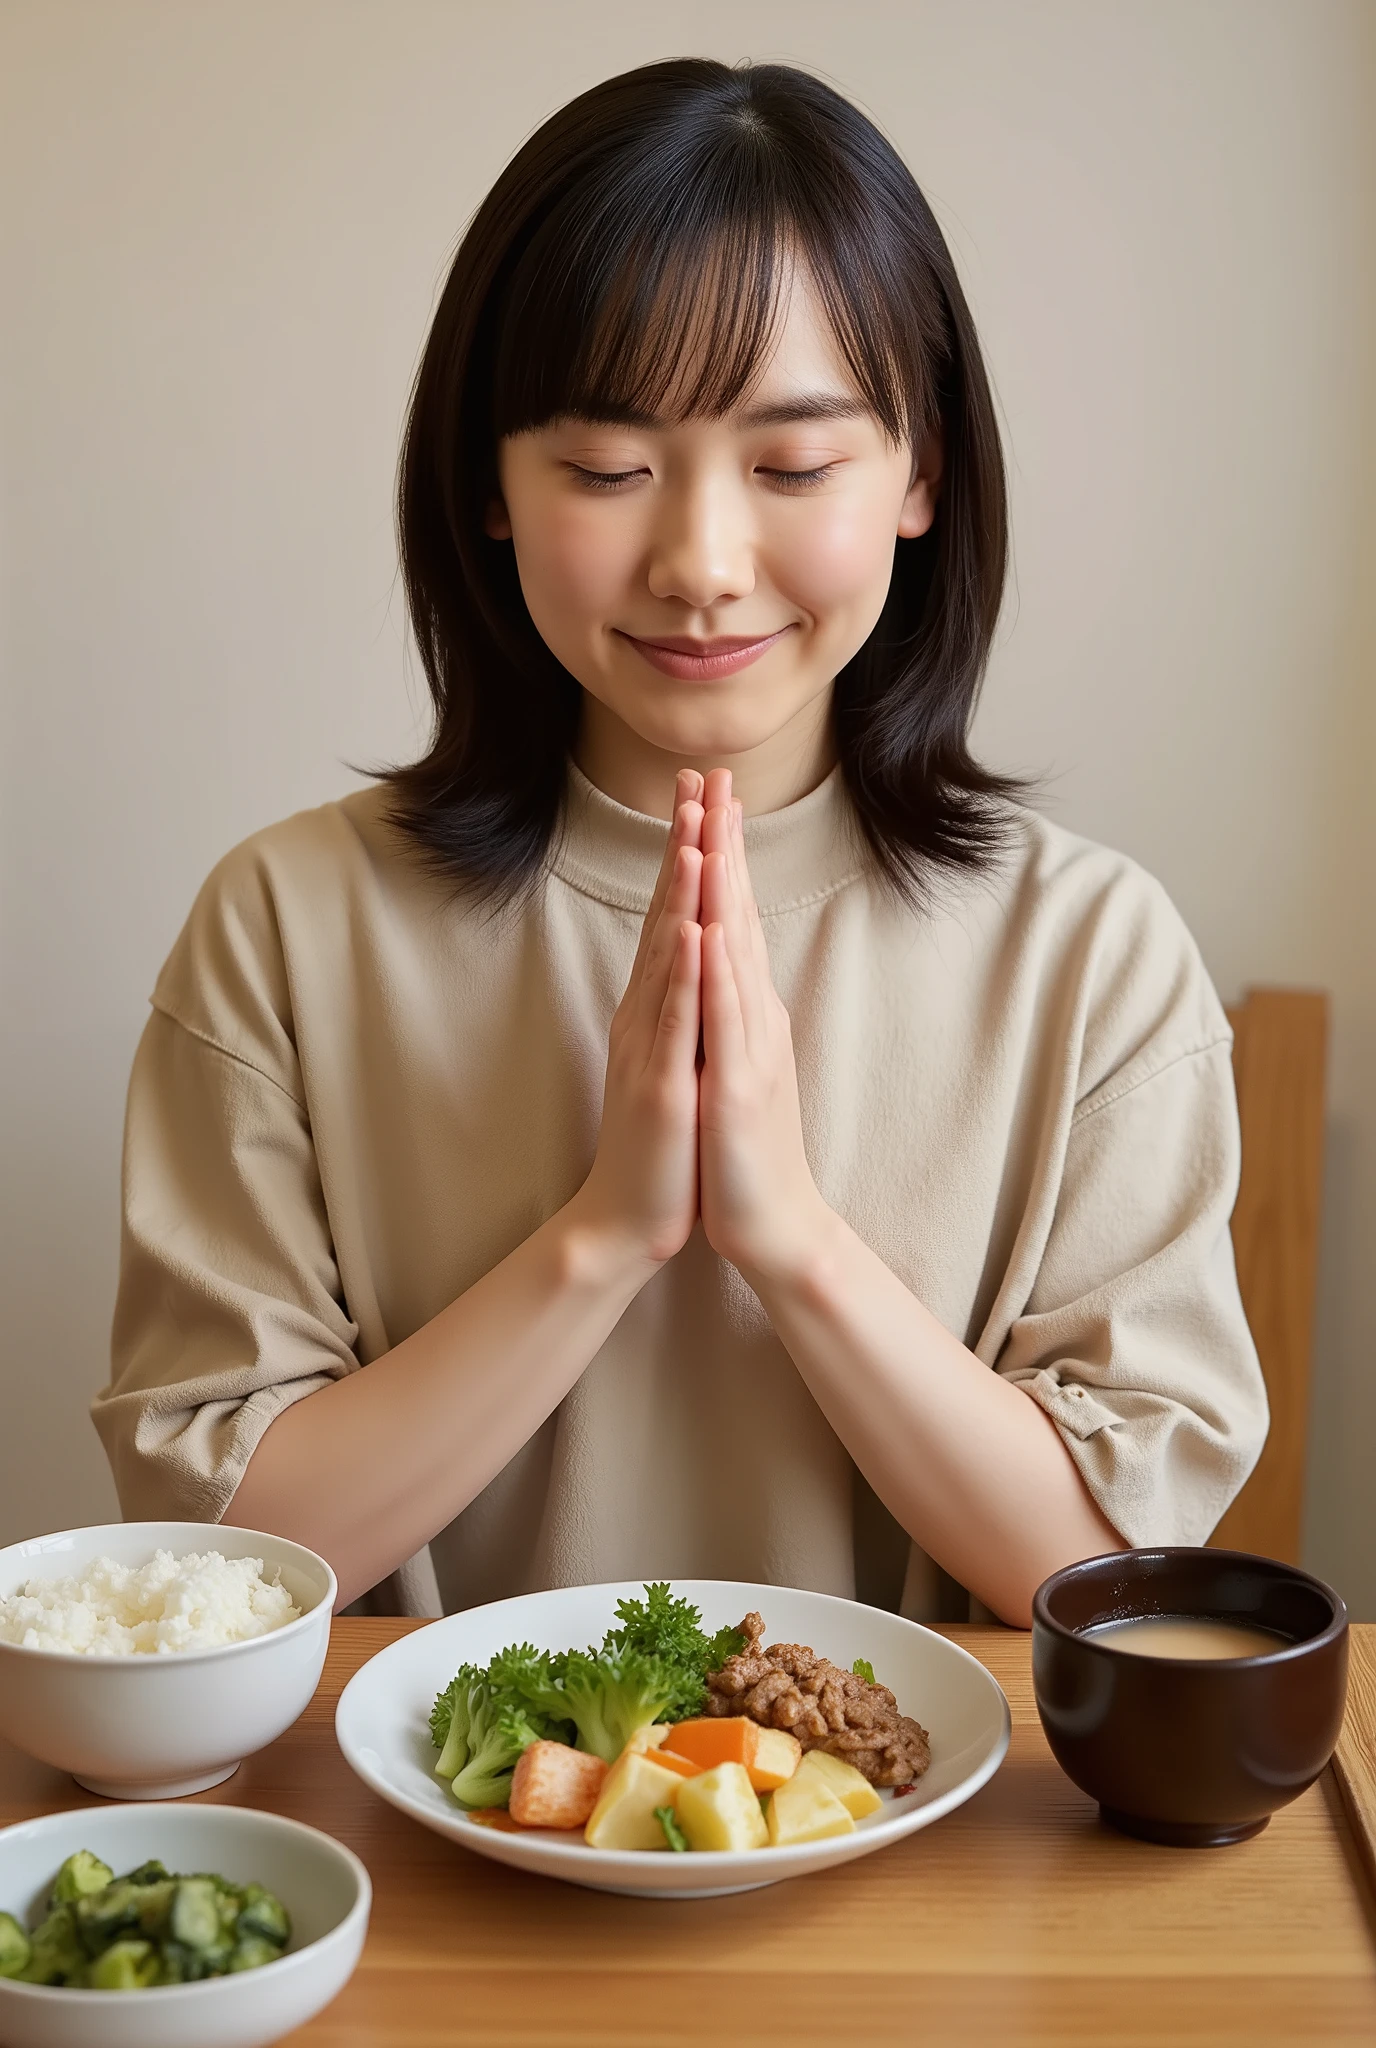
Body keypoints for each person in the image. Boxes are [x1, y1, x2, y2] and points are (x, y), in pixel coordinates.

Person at [92, 58, 1267, 1628]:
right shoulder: (287, 928)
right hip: (414, 1860)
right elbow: (216, 1561)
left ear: (921, 473)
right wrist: (604, 1238)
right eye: (606, 470)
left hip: (951, 1869)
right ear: (490, 489)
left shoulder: (1092, 957)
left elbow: (1104, 1577)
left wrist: (789, 1240)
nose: (704, 563)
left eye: (794, 466)